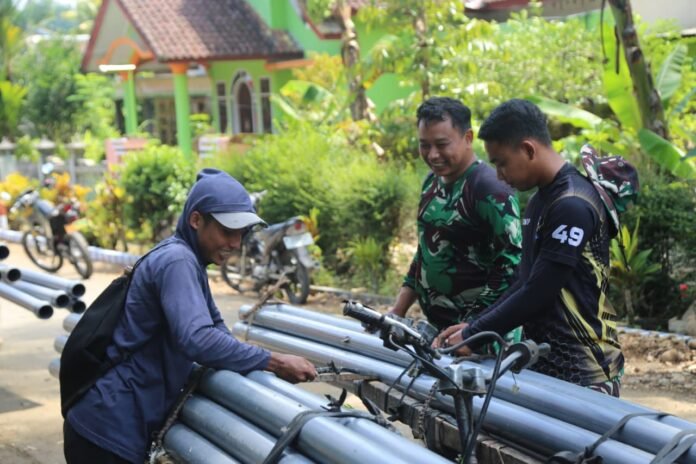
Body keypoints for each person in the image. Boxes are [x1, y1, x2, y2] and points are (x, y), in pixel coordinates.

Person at [63, 169, 317, 464]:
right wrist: (274, 361)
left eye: (242, 233)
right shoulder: (177, 261)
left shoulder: (188, 259)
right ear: (196, 220)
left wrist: (247, 362)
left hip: (108, 425)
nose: (236, 243)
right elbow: (198, 339)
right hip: (108, 431)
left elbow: (215, 327)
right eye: (227, 231)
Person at [434, 99, 625, 396]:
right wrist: (473, 327)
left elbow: (540, 290)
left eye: (501, 163)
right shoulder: (540, 201)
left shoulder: (572, 204)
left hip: (586, 372)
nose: (499, 175)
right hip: (548, 363)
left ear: (528, 149)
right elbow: (524, 281)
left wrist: (475, 333)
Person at [389, 97, 522, 334]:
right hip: (440, 332)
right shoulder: (432, 182)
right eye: (424, 145)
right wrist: (397, 311)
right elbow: (426, 252)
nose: (432, 155)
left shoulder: (489, 189)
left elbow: (512, 265)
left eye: (442, 144)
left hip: (484, 337)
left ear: (468, 138)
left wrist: (473, 327)